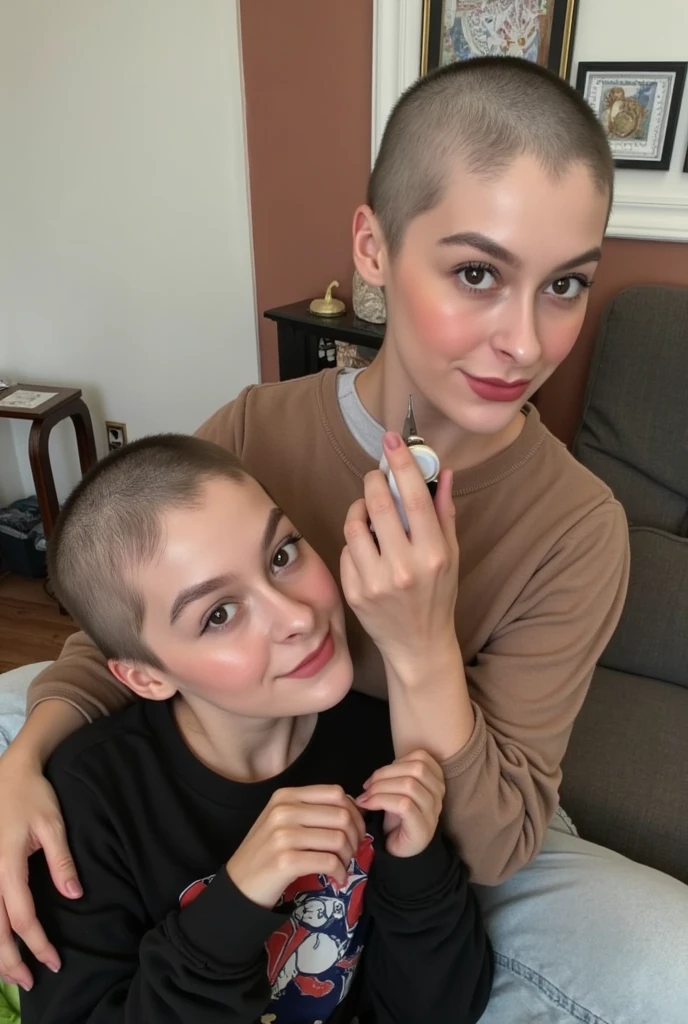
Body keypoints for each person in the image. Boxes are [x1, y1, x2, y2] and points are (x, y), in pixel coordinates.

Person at [2, 55, 688, 1021]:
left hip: (442, 823)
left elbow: (493, 844)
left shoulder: (578, 530)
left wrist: (417, 644)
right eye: (478, 273)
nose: (528, 344)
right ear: (372, 247)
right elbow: (117, 634)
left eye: (566, 285)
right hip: (237, 763)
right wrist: (24, 761)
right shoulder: (255, 430)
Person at [19, 433, 492, 1024]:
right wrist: (234, 904)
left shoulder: (381, 747)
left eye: (283, 555)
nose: (297, 617)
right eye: (218, 614)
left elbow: (440, 1009)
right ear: (144, 677)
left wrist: (419, 871)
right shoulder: (91, 805)